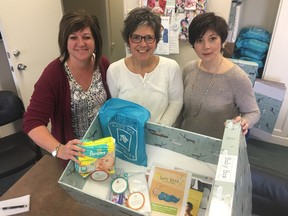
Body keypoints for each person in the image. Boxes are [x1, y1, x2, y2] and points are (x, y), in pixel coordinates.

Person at [23, 9, 110, 164]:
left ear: (95, 40)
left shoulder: (103, 64)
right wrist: (59, 149)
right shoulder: (54, 73)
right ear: (65, 40)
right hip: (74, 158)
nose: (81, 43)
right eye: (73, 37)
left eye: (86, 37)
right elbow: (32, 122)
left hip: (103, 149)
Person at [178, 12, 260, 139]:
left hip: (219, 146)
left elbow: (253, 112)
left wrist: (244, 122)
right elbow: (182, 109)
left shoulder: (237, 77)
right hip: (187, 139)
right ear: (193, 45)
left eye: (212, 38)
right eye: (199, 40)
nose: (206, 46)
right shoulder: (189, 69)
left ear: (222, 40)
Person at [107, 7, 183, 127]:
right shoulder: (114, 70)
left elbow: (176, 102)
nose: (143, 44)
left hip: (160, 137)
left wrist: (159, 129)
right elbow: (115, 108)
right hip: (129, 136)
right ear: (128, 40)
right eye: (136, 37)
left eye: (149, 38)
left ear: (156, 40)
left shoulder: (171, 67)